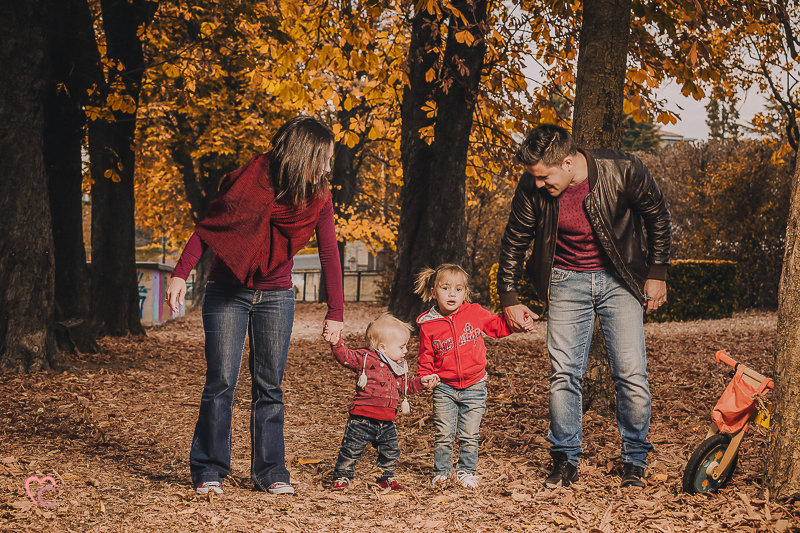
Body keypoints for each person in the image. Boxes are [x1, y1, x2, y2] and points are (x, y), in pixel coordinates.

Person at [165, 116, 344, 496]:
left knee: (269, 386)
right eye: (323, 160)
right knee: (221, 382)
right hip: (227, 291)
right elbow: (211, 227)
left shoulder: (319, 197)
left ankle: (270, 471)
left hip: (276, 296)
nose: (329, 168)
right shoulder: (251, 181)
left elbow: (329, 253)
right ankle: (209, 469)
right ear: (303, 156)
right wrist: (181, 272)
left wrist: (337, 311)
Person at [496, 124, 671, 488]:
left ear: (568, 161)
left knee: (631, 374)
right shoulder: (533, 186)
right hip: (564, 281)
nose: (539, 185)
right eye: (535, 179)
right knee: (564, 374)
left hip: (620, 279)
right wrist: (509, 298)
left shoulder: (624, 169)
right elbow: (515, 240)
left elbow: (657, 214)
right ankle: (564, 460)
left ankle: (635, 461)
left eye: (545, 176)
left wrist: (657, 273)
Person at [415, 264, 524, 490]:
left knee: (469, 434)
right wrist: (424, 376)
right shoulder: (428, 325)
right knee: (444, 433)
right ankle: (442, 472)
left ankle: (466, 471)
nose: (452, 294)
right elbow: (425, 356)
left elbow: (497, 326)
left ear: (465, 293)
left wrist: (516, 324)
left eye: (458, 289)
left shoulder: (474, 312)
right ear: (434, 292)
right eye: (445, 288)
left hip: (475, 385)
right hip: (444, 387)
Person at [327, 313, 439, 492]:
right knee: (351, 450)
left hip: (386, 422)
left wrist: (421, 383)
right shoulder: (365, 358)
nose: (405, 351)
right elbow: (345, 356)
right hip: (361, 419)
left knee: (390, 451)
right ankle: (342, 476)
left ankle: (385, 477)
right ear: (383, 347)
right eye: (402, 347)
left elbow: (405, 388)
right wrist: (336, 342)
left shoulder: (398, 368)